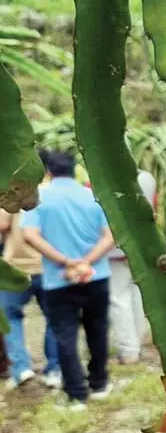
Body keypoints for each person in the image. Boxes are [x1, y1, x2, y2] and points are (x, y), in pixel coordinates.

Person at [21, 151, 116, 410]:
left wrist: (66, 262)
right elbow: (110, 236)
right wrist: (86, 261)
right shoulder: (92, 195)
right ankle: (99, 384)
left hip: (58, 279)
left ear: (48, 171)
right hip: (97, 275)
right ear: (74, 169)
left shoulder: (39, 198)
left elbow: (30, 234)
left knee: (65, 336)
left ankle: (76, 395)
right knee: (97, 330)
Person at [1, 205, 62, 390]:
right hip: (49, 267)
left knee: (10, 317)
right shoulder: (51, 196)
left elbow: (2, 224)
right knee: (55, 319)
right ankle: (54, 370)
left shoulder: (13, 195)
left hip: (17, 268)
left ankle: (20, 368)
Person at [107, 169, 156, 364]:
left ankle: (129, 350)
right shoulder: (147, 178)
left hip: (115, 249)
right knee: (137, 294)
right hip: (143, 246)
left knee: (119, 299)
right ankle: (137, 340)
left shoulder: (106, 178)